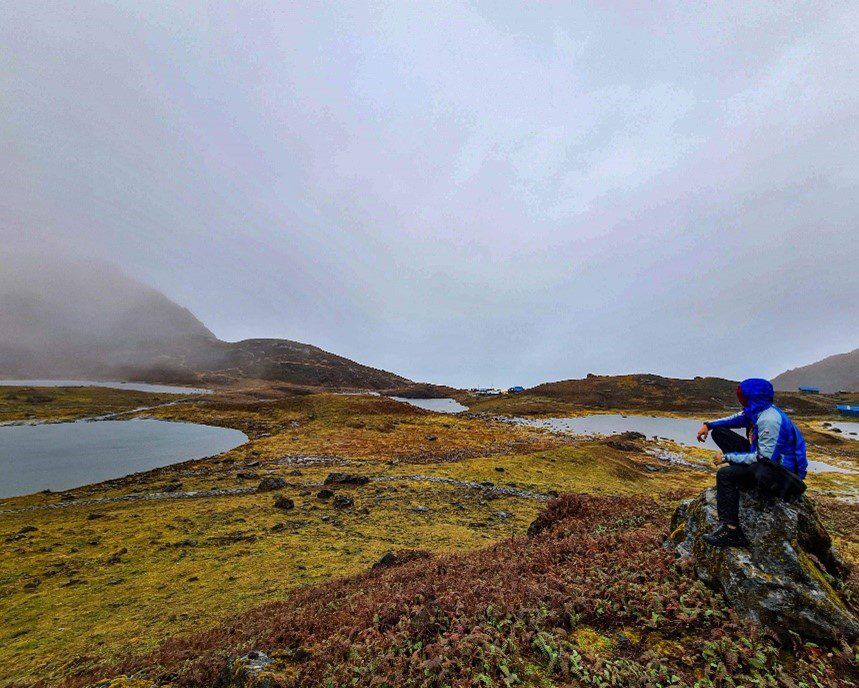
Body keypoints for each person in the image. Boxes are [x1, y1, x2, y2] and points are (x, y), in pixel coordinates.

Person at [696, 378, 807, 548]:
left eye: (742, 396)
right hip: (765, 465)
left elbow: (762, 458)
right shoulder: (757, 410)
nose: (741, 399)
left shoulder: (769, 420)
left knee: (725, 475)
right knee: (720, 432)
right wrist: (708, 425)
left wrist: (727, 458)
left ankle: (731, 531)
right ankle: (741, 475)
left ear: (752, 397)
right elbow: (735, 419)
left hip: (781, 474)